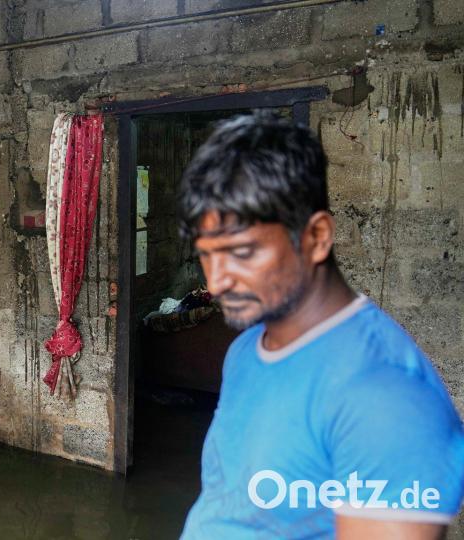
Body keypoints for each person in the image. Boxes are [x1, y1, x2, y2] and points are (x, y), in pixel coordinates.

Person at [178, 111, 464, 539]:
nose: (216, 281)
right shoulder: (247, 350)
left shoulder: (385, 397)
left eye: (240, 253)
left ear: (316, 237)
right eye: (207, 254)